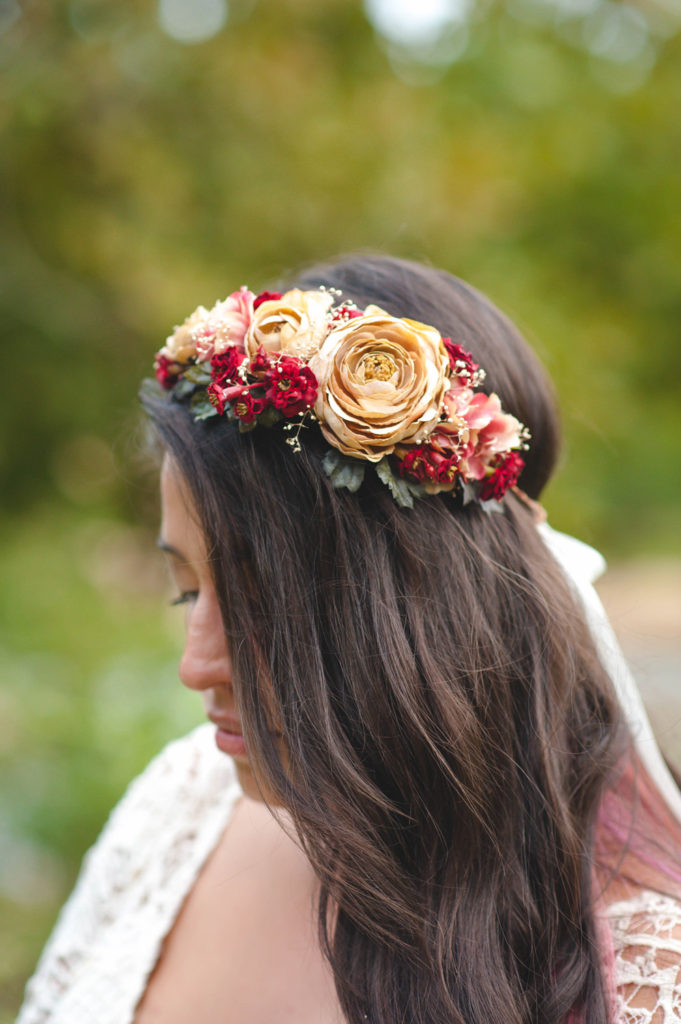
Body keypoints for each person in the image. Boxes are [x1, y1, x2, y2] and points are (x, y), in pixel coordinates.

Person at [17, 254, 681, 1024]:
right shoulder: (180, 807)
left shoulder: (637, 977)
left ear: (420, 611)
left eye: (262, 607)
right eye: (187, 590)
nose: (195, 668)